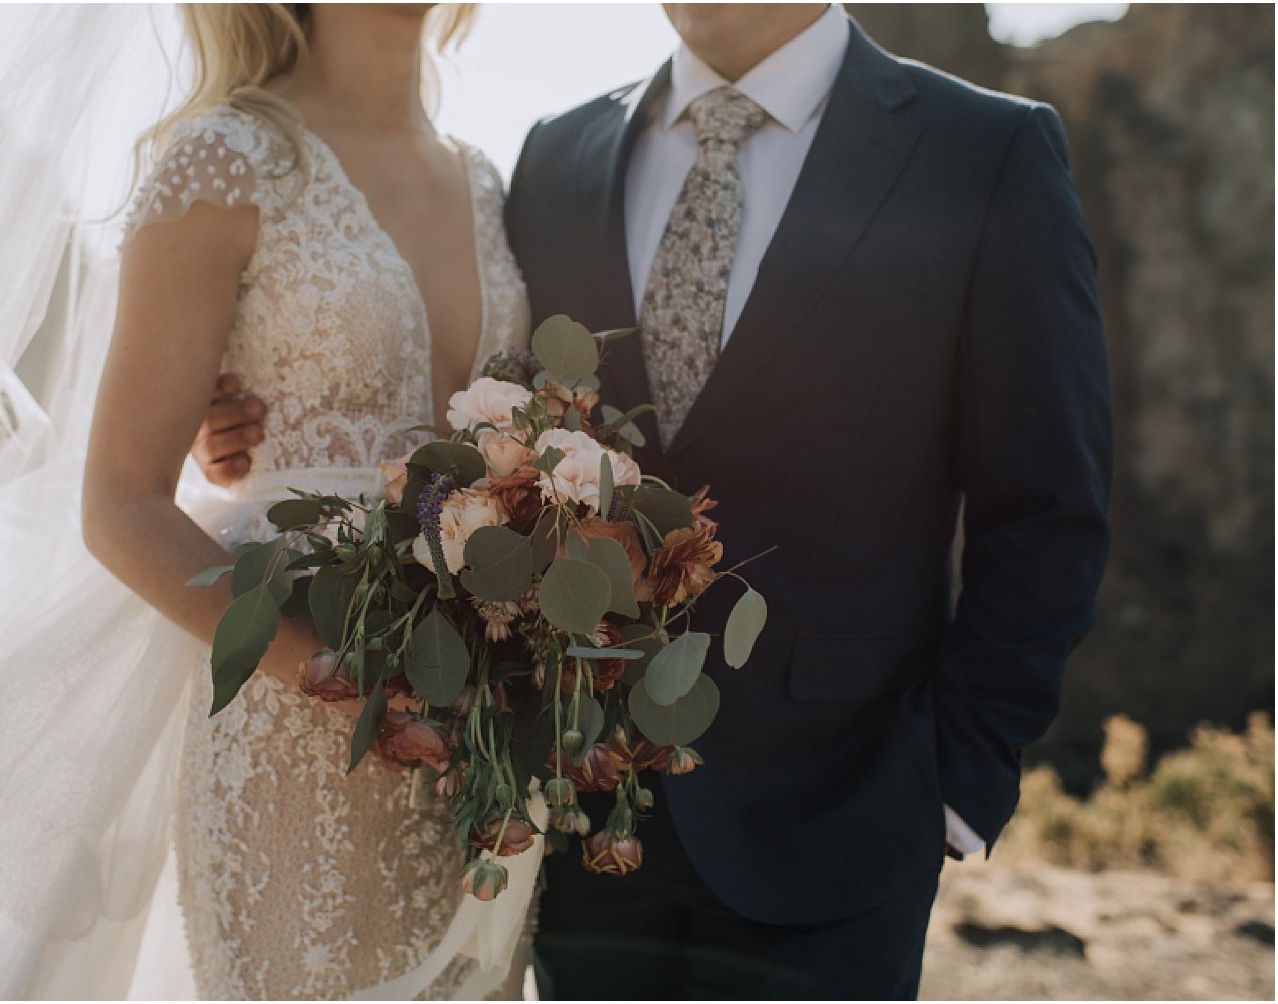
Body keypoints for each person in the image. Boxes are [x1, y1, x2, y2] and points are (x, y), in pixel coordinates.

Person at [198, 3, 1112, 999]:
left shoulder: (983, 151)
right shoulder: (557, 157)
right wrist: (252, 400)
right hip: (584, 821)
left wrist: (954, 786)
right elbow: (467, 401)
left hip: (842, 829)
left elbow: (1048, 504)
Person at [0, 4, 532, 999]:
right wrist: (329, 673)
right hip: (284, 732)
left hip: (476, 748)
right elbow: (120, 501)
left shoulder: (484, 181)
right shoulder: (225, 161)